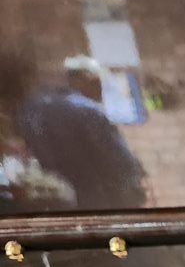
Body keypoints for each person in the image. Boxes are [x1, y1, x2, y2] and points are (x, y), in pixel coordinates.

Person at [14, 54, 147, 209]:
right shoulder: (87, 110)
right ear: (84, 79)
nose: (100, 90)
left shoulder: (32, 108)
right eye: (97, 83)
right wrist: (134, 180)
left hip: (57, 200)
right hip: (99, 199)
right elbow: (119, 159)